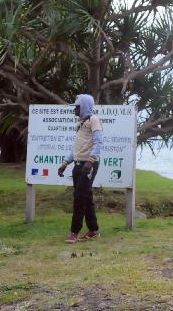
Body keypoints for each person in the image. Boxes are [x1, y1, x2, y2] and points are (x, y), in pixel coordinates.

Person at [58, 94, 103, 243]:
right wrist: (65, 163)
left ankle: (74, 232)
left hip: (88, 165)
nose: (75, 110)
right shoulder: (79, 123)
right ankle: (94, 230)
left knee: (79, 198)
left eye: (77, 107)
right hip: (78, 165)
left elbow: (98, 143)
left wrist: (90, 162)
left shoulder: (94, 120)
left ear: (84, 107)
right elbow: (76, 147)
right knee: (86, 197)